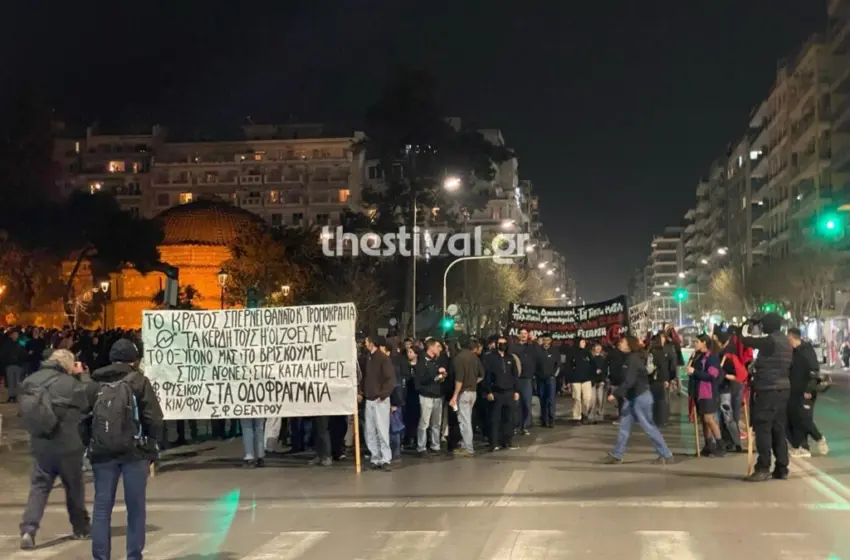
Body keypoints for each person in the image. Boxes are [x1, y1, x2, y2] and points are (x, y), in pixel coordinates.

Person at [88, 338, 163, 560]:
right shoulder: (139, 381)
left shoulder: (95, 383)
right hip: (135, 452)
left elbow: (82, 419)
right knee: (135, 507)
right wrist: (152, 446)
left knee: (102, 508)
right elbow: (154, 418)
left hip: (102, 453)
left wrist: (89, 445)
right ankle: (133, 555)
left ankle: (101, 556)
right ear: (134, 360)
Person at [18, 349, 91, 550]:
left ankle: (28, 529)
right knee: (74, 487)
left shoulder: (31, 380)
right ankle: (81, 527)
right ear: (68, 364)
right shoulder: (70, 384)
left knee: (39, 487)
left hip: (41, 443)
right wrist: (81, 375)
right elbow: (86, 402)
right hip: (68, 445)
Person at [603, 336, 674, 464]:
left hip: (640, 397)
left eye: (623, 342)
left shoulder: (633, 360)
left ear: (629, 345)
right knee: (624, 427)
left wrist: (616, 394)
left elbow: (629, 381)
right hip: (631, 397)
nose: (620, 343)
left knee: (648, 426)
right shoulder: (629, 359)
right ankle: (617, 454)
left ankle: (666, 454)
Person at [740, 312, 791, 482]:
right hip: (783, 390)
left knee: (763, 428)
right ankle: (782, 467)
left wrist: (748, 323)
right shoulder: (785, 341)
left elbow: (744, 339)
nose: (761, 327)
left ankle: (763, 467)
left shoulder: (771, 341)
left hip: (768, 389)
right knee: (778, 429)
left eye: (762, 325)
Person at [787, 328, 828, 458]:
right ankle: (803, 447)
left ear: (793, 338)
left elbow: (814, 373)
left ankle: (819, 438)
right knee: (795, 419)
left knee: (804, 418)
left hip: (807, 392)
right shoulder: (794, 352)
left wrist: (809, 390)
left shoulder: (807, 352)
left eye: (788, 338)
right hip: (795, 392)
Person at [360, 335, 395, 470]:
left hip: (379, 399)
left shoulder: (382, 358)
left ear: (372, 343)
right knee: (370, 431)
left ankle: (385, 458)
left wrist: (382, 395)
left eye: (367, 341)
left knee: (382, 430)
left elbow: (390, 379)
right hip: (370, 398)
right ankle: (375, 457)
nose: (365, 344)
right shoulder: (369, 357)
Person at [481, 336, 520, 451]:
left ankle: (507, 441)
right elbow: (486, 376)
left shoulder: (510, 358)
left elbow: (515, 375)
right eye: (500, 343)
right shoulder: (490, 358)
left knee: (508, 419)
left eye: (504, 343)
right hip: (496, 392)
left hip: (509, 392)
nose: (502, 345)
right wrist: (488, 391)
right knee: (495, 419)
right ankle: (494, 443)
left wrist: (516, 390)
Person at [688, 334, 724, 457]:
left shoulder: (712, 358)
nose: (695, 344)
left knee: (709, 419)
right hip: (698, 391)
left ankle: (720, 445)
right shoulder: (698, 356)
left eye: (697, 341)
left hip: (708, 391)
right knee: (703, 420)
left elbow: (711, 376)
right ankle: (708, 444)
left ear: (704, 343)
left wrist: (695, 372)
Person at [449, 336, 484, 456]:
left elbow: (459, 380)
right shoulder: (475, 358)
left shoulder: (459, 358)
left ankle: (468, 448)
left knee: (464, 421)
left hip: (463, 393)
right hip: (473, 392)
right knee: (467, 418)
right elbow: (482, 375)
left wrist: (454, 396)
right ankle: (465, 443)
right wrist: (473, 382)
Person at [414, 339, 446, 457]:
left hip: (437, 395)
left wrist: (441, 377)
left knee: (436, 423)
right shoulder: (422, 361)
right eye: (438, 346)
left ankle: (435, 445)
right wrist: (436, 374)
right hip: (426, 395)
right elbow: (422, 379)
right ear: (431, 347)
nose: (440, 349)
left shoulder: (436, 361)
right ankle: (421, 447)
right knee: (424, 422)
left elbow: (434, 378)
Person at [536, 333, 560, 428]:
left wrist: (554, 375)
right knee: (542, 399)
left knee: (550, 399)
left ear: (550, 341)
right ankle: (543, 419)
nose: (545, 342)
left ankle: (551, 419)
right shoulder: (538, 351)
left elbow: (558, 365)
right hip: (540, 378)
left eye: (547, 340)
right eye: (544, 340)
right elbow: (535, 364)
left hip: (551, 378)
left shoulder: (554, 351)